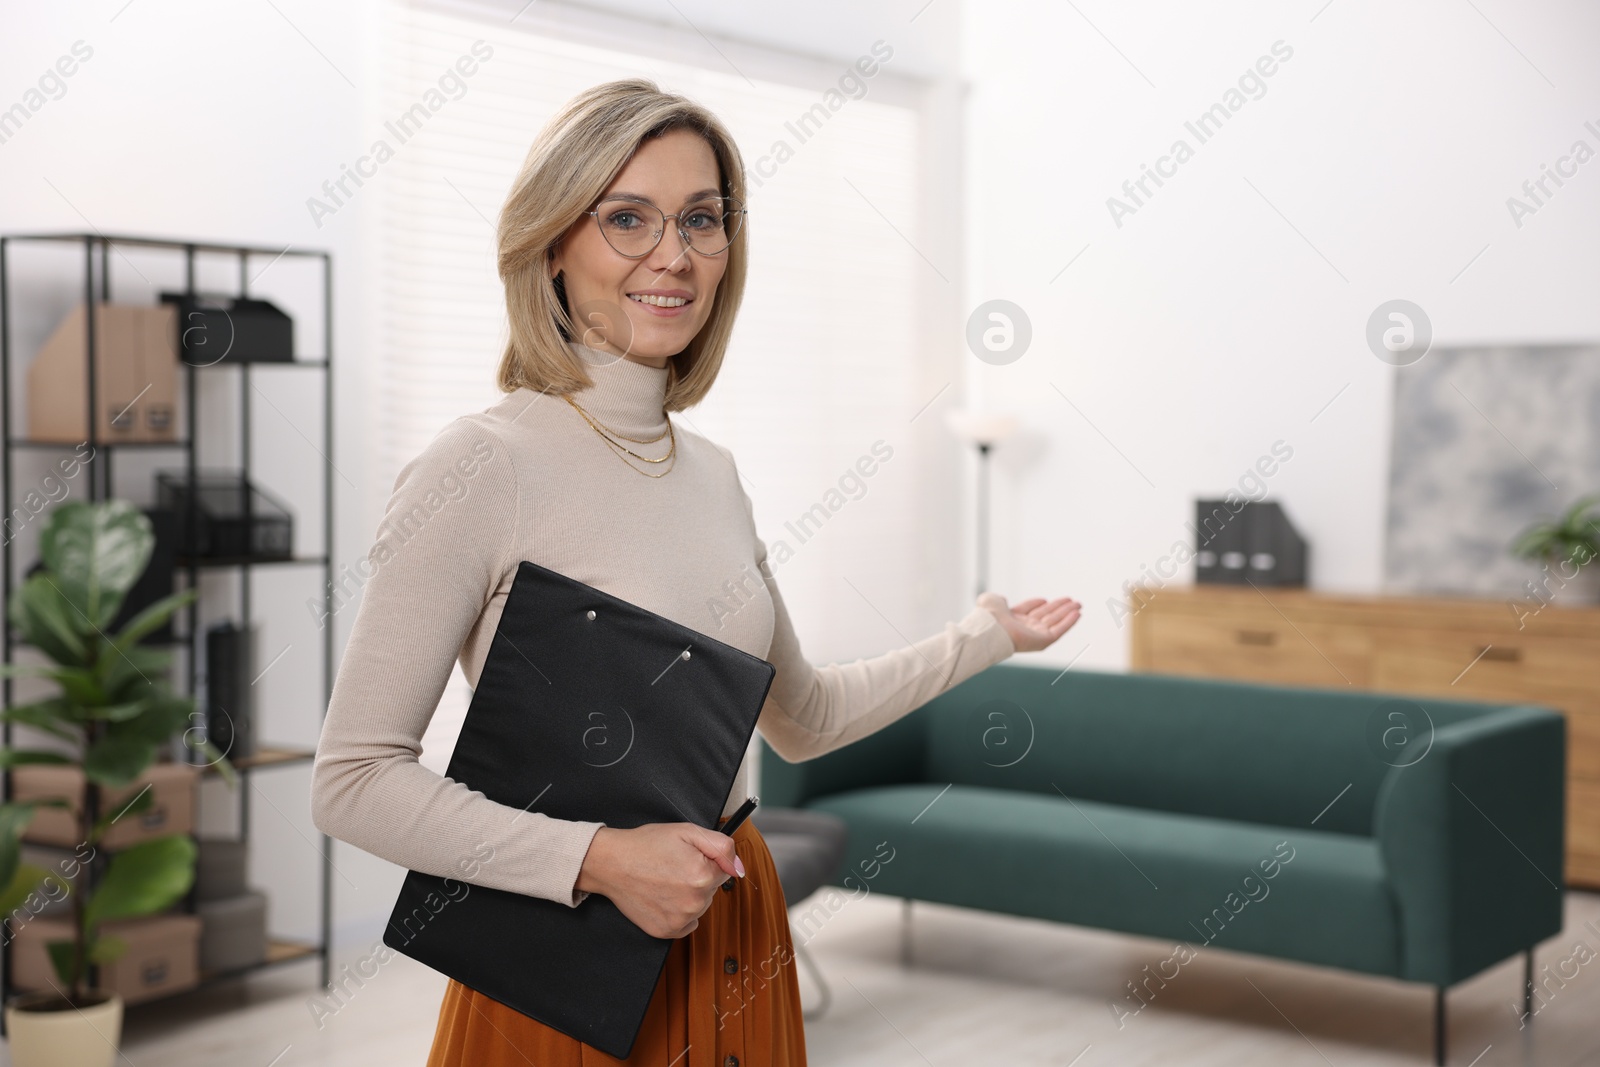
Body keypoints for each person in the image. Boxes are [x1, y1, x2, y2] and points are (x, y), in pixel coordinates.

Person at [309, 77, 1081, 1067]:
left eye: (701, 219)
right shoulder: (480, 465)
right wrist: (599, 858)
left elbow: (805, 716)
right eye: (626, 217)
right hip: (563, 959)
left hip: (732, 925)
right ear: (553, 241)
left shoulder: (712, 473)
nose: (672, 255)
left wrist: (984, 638)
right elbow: (352, 779)